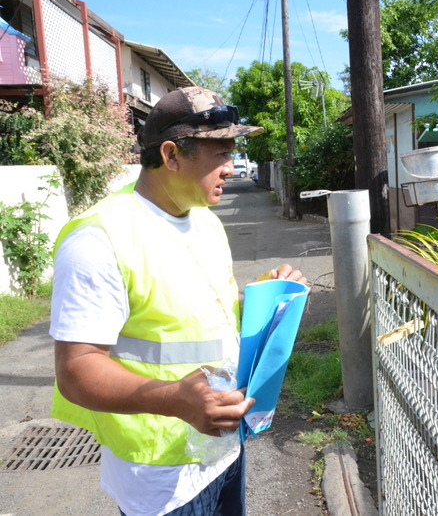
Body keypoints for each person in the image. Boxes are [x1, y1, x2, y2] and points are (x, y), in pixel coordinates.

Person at [49, 86, 307, 515]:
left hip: (222, 447)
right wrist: (174, 399)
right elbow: (76, 370)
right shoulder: (97, 239)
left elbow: (201, 310)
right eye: (219, 153)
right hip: (161, 477)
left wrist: (268, 299)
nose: (231, 167)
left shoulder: (204, 220)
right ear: (170, 155)